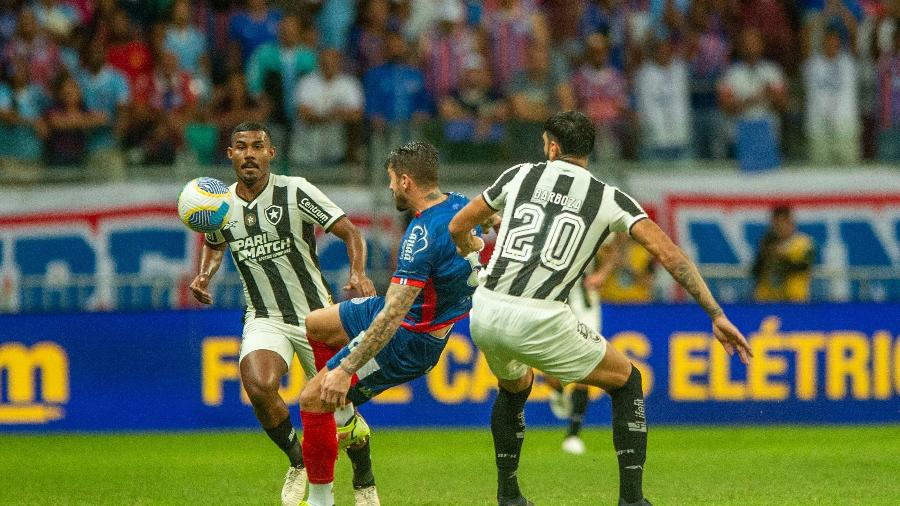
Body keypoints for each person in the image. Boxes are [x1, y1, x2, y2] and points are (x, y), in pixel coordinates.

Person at [449, 111, 753, 506]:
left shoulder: (519, 175)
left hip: (485, 311)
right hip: (540, 316)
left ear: (553, 147)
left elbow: (458, 226)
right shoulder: (609, 198)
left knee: (515, 386)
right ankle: (632, 499)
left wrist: (471, 251)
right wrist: (716, 314)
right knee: (627, 381)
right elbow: (670, 256)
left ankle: (509, 495)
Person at [188, 122, 377, 506]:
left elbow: (350, 232)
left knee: (342, 411)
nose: (250, 154)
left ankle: (364, 478)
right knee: (257, 383)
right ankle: (298, 461)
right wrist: (204, 275)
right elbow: (214, 241)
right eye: (241, 147)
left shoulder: (294, 191)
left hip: (316, 317)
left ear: (271, 153)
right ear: (230, 154)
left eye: (258, 146)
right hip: (264, 315)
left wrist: (357, 271)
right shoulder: (219, 205)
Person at [297, 141, 483, 506]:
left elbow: (390, 320)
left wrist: (343, 369)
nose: (390, 188)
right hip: (402, 314)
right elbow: (489, 219)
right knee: (315, 324)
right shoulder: (461, 203)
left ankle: (321, 500)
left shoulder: (420, 238)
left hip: (409, 341)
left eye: (392, 181)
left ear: (407, 181)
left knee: (312, 399)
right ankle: (346, 415)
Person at [751, 205, 815, 302]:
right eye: (777, 223)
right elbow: (756, 270)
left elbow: (803, 267)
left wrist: (784, 257)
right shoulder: (766, 243)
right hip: (766, 299)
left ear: (791, 222)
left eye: (784, 222)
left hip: (796, 299)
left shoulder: (804, 243)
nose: (780, 227)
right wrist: (766, 255)